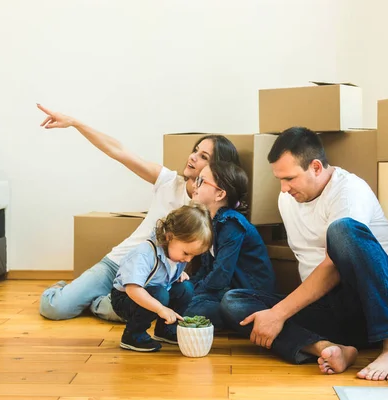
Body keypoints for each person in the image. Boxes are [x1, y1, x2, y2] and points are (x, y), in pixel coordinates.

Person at [220, 127, 388, 381]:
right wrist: (274, 314)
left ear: (315, 167)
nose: (283, 188)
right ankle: (328, 349)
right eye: (279, 179)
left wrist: (278, 314)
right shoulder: (288, 199)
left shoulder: (349, 191)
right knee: (234, 302)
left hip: (385, 302)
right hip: (334, 312)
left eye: (290, 178)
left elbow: (334, 267)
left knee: (342, 230)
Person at [36, 104, 240, 321]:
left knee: (135, 312)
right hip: (117, 263)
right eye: (195, 150)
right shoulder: (169, 182)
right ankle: (66, 291)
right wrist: (76, 123)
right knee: (54, 308)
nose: (192, 157)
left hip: (153, 282)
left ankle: (96, 302)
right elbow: (119, 151)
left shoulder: (214, 208)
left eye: (203, 156)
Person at [184, 161, 276, 329]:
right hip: (225, 291)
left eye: (201, 181)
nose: (195, 186)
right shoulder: (210, 223)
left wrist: (192, 294)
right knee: (181, 296)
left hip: (247, 295)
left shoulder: (231, 223)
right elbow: (206, 270)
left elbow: (221, 275)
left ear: (219, 194)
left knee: (190, 308)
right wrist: (185, 290)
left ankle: (243, 320)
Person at [111, 203, 212, 352]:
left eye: (193, 255)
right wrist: (160, 309)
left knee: (186, 288)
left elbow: (165, 275)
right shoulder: (144, 253)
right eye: (186, 253)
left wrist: (177, 275)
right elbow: (133, 289)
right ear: (169, 236)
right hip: (126, 297)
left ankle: (165, 330)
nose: (188, 260)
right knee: (160, 294)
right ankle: (133, 335)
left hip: (155, 293)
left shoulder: (176, 255)